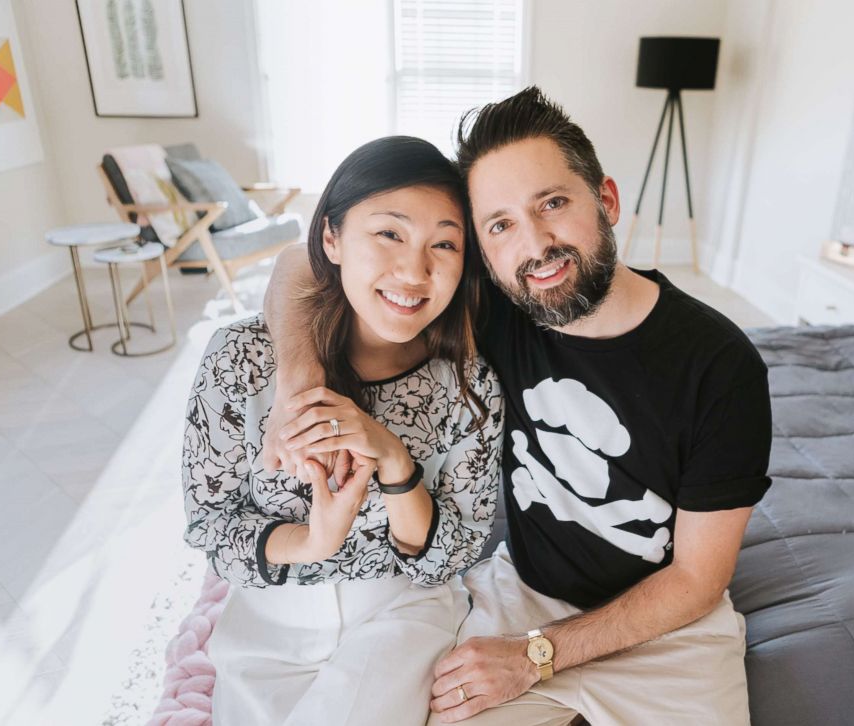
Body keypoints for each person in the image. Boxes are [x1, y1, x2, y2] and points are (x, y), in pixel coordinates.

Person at [261, 87, 772, 725]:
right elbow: (300, 264)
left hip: (669, 628)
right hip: (524, 596)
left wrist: (536, 657)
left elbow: (698, 580)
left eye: (553, 204)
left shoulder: (721, 365)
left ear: (606, 201)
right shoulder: (496, 309)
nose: (535, 245)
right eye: (500, 224)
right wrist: (298, 387)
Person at [182, 136, 504, 726]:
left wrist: (396, 463)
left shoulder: (469, 385)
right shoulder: (242, 358)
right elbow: (212, 523)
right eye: (389, 233)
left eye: (445, 244)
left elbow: (455, 551)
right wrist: (311, 543)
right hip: (267, 626)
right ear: (331, 237)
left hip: (402, 618)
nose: (415, 270)